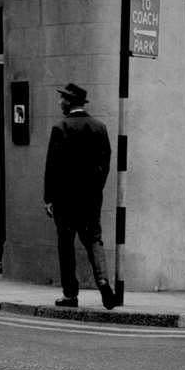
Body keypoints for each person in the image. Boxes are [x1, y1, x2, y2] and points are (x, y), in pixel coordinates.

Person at [43, 81, 117, 310]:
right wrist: (96, 189)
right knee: (94, 239)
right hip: (91, 198)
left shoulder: (61, 128)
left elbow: (52, 167)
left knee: (66, 245)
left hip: (65, 199)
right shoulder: (99, 127)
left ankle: (70, 295)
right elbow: (106, 163)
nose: (59, 102)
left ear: (68, 101)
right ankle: (103, 281)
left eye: (61, 98)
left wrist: (49, 198)